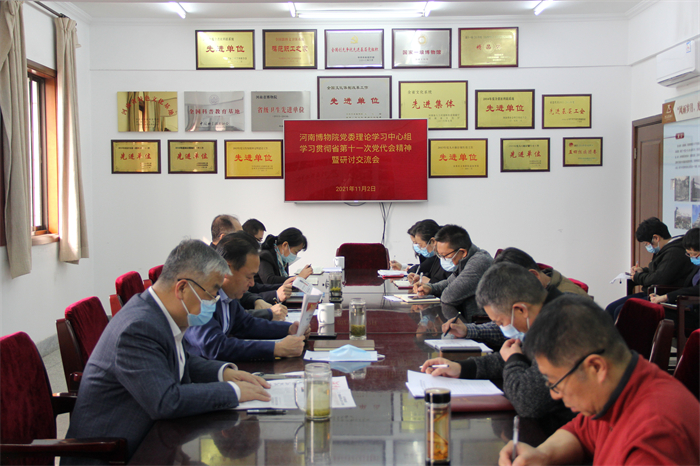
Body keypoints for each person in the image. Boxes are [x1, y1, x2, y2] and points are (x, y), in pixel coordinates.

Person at [62, 240, 271, 464]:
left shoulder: (157, 313)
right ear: (182, 288)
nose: (214, 301)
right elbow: (166, 400)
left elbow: (180, 360)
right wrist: (233, 392)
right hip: (114, 454)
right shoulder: (138, 327)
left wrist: (224, 373)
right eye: (211, 293)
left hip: (153, 440)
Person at [499, 295, 700, 466]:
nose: (554, 394)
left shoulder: (655, 438)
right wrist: (543, 454)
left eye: (556, 383)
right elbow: (581, 432)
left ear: (595, 367)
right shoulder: (622, 383)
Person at [421, 263, 574, 427]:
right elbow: (509, 356)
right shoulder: (542, 314)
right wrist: (460, 368)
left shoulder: (563, 326)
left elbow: (527, 402)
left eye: (500, 322)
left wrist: (514, 360)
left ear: (521, 310)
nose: (501, 329)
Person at [185, 232, 307, 362]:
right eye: (249, 277)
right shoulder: (203, 296)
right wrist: (276, 348)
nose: (252, 283)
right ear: (227, 269)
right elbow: (215, 346)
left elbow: (247, 324)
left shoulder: (228, 296)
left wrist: (289, 329)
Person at [606, 217, 695, 320]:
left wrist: (638, 277)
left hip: (663, 296)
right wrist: (643, 271)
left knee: (622, 310)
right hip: (651, 293)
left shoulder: (674, 252)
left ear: (656, 238)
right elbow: (660, 270)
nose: (647, 247)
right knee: (611, 309)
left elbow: (659, 278)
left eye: (646, 244)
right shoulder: (665, 250)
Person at [208, 214, 292, 320]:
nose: (244, 239)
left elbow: (248, 291)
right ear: (225, 238)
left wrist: (256, 300)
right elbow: (237, 318)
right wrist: (269, 311)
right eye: (238, 235)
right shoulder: (209, 272)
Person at [414, 224, 493, 321]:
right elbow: (449, 282)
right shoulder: (464, 259)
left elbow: (448, 296)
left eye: (445, 255)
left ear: (462, 252)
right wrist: (430, 288)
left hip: (479, 323)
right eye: (440, 255)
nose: (443, 259)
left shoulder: (479, 262)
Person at [406, 220, 449, 284]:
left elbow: (451, 284)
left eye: (420, 245)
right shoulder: (438, 256)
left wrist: (429, 282)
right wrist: (420, 278)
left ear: (433, 241)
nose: (420, 248)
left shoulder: (448, 258)